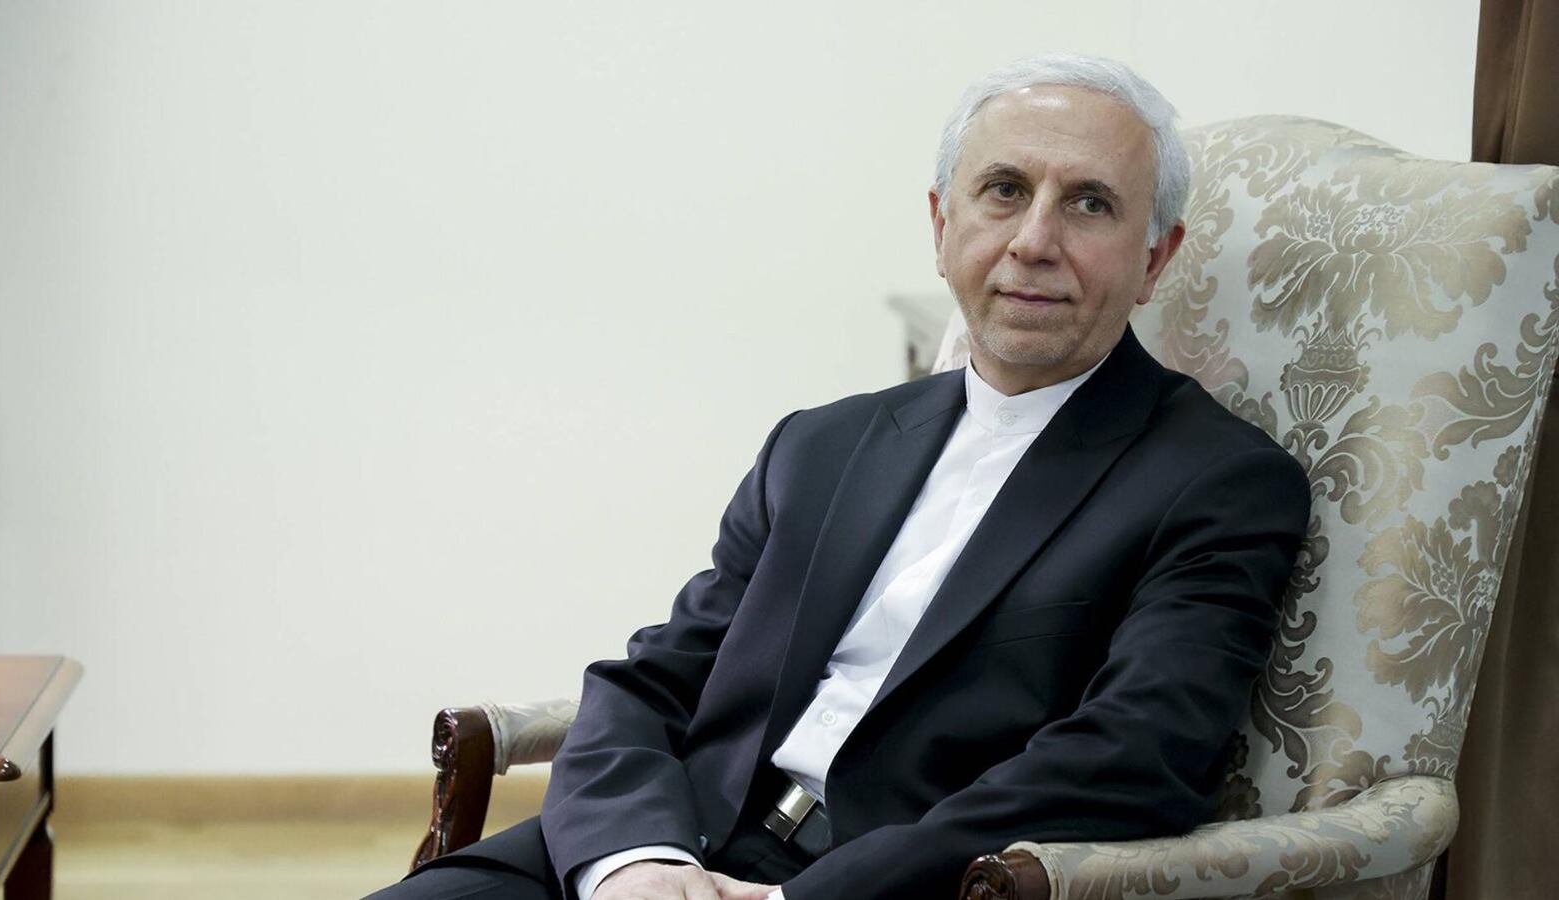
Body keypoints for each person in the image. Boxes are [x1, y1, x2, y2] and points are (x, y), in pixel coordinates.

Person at [367, 52, 1311, 900]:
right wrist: (634, 863)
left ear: (1155, 259)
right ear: (941, 224)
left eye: (1090, 204)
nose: (1034, 239)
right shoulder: (820, 443)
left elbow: (1131, 759)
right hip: (655, 847)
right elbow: (652, 683)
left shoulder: (1218, 482)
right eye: (1004, 190)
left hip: (898, 884)